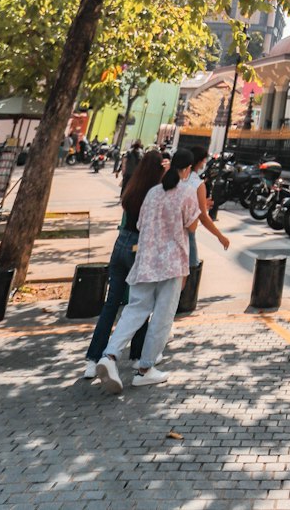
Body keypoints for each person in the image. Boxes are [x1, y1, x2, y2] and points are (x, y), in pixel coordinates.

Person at [95, 148, 200, 393]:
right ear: (187, 170)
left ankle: (109, 356)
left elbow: (141, 223)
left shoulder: (153, 192)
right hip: (171, 263)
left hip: (145, 259)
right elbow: (192, 226)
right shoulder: (186, 192)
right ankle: (145, 369)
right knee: (162, 316)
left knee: (134, 310)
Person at [81, 150, 164, 380]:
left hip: (120, 244)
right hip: (139, 247)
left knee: (111, 305)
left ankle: (93, 359)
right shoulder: (153, 193)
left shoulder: (132, 187)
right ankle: (137, 356)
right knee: (140, 303)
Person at [186, 148, 230, 274]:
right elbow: (203, 217)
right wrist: (220, 236)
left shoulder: (174, 178)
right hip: (186, 232)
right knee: (186, 273)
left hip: (167, 231)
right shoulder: (197, 184)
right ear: (200, 162)